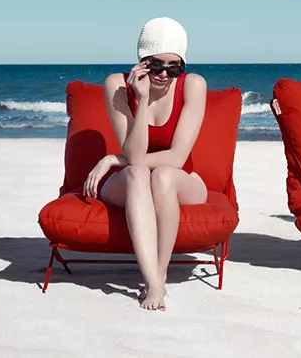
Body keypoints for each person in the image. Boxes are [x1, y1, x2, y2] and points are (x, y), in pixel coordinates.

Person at [81, 17, 208, 311]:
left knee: (163, 175)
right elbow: (136, 155)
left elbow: (177, 158)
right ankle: (152, 282)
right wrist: (142, 99)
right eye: (155, 65)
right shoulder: (117, 85)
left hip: (178, 179)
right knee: (138, 171)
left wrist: (112, 159)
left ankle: (159, 276)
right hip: (132, 181)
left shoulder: (193, 85)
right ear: (141, 61)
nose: (164, 74)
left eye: (173, 67)